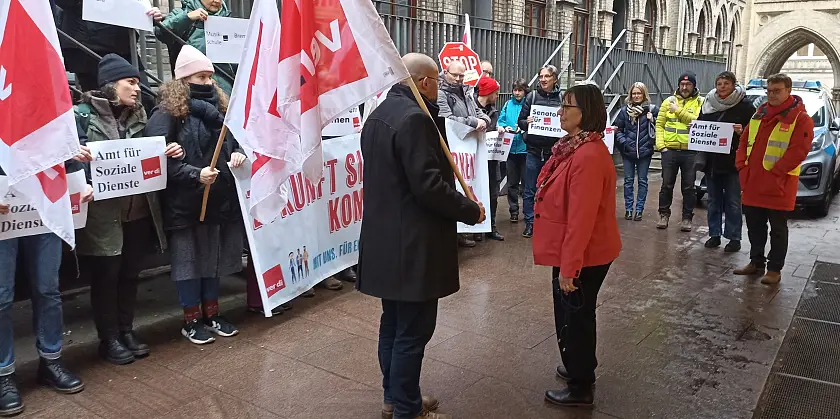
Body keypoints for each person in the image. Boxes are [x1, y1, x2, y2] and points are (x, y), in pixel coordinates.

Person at [358, 53, 485, 419]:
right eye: (437, 81)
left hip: (386, 242)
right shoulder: (415, 119)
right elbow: (428, 186)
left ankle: (396, 397)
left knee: (394, 325)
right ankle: (407, 409)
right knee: (412, 331)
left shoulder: (379, 115)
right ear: (425, 82)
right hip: (412, 245)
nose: (439, 88)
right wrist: (469, 209)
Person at [73, 54, 184, 365]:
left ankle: (126, 330)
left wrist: (170, 150)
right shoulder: (81, 116)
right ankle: (108, 338)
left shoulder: (140, 115)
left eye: (137, 82)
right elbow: (66, 160)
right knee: (106, 277)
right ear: (111, 85)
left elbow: (149, 154)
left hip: (138, 211)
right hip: (103, 215)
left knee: (130, 274)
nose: (137, 88)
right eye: (131, 82)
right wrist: (77, 158)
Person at [144, 45, 243, 345]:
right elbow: (156, 158)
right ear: (184, 80)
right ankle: (191, 320)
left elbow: (234, 140)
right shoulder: (167, 112)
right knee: (189, 262)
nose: (209, 82)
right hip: (185, 203)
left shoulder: (221, 111)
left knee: (213, 259)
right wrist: (193, 173)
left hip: (218, 199)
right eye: (201, 77)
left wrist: (237, 152)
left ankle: (212, 314)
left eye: (210, 76)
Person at [532, 83, 622, 407]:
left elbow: (581, 219)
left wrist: (569, 268)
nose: (560, 112)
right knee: (575, 314)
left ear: (584, 113)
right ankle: (578, 364)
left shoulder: (587, 155)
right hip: (577, 250)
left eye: (567, 106)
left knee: (575, 317)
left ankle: (580, 386)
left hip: (584, 254)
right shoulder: (576, 148)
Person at [0, 141, 92, 417]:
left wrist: (79, 181)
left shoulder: (45, 113)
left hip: (44, 202)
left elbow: (62, 143)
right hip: (5, 204)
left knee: (48, 290)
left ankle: (51, 361)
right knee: (1, 297)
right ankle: (4, 374)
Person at [734, 73, 812, 285]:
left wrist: (777, 172)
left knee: (778, 229)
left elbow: (799, 151)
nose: (772, 95)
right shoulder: (759, 114)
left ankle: (774, 269)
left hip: (780, 184)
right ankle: (756, 261)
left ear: (788, 91)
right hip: (753, 182)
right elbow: (744, 141)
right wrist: (741, 166)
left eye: (777, 91)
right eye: (769, 91)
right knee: (754, 225)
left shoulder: (800, 119)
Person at [54, 0, 163, 112]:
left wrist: (149, 14)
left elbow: (133, 5)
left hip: (122, 46)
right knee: (101, 102)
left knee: (145, 98)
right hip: (88, 48)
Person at [698, 71, 756, 252]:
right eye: (719, 84)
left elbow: (755, 131)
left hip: (733, 162)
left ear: (734, 85)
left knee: (733, 201)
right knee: (713, 200)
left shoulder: (745, 106)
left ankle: (734, 237)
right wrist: (696, 128)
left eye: (726, 84)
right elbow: (701, 124)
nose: (722, 87)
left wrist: (742, 131)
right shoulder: (708, 103)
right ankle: (714, 234)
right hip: (712, 162)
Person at [437, 60, 491, 248]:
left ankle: (462, 231)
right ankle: (452, 233)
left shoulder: (467, 92)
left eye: (462, 75)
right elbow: (446, 118)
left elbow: (478, 112)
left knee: (467, 186)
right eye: (455, 75)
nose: (459, 79)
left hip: (468, 150)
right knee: (453, 188)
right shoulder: (441, 93)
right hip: (453, 148)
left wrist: (484, 120)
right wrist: (473, 122)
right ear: (446, 72)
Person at [517, 65, 564, 238]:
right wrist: (527, 122)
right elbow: (521, 122)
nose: (543, 80)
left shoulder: (562, 97)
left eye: (547, 76)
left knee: (552, 190)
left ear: (555, 79)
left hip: (554, 154)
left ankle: (548, 222)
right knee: (530, 189)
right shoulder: (532, 97)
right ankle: (530, 223)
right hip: (534, 151)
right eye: (541, 76)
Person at [655, 72, 704, 231]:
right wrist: (661, 146)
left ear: (694, 86)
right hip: (669, 151)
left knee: (689, 187)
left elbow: (699, 122)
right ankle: (663, 215)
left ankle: (687, 218)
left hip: (690, 152)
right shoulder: (668, 101)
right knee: (666, 185)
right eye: (682, 84)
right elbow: (659, 125)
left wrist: (678, 110)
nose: (684, 87)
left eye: (688, 84)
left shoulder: (701, 102)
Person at [156, 0, 237, 95]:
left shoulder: (230, 21)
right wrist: (187, 18)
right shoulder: (181, 14)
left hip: (226, 89)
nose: (217, 1)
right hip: (192, 89)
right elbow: (162, 33)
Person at [615, 82, 657, 221]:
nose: (636, 96)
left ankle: (639, 210)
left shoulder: (652, 110)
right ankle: (628, 209)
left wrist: (653, 120)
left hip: (645, 152)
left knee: (643, 181)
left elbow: (660, 128)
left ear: (644, 94)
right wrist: (625, 142)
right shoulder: (624, 111)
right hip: (628, 152)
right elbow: (618, 130)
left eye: (639, 93)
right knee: (628, 181)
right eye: (634, 93)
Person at [475, 77, 504, 241]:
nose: (497, 96)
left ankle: (491, 227)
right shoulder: (471, 107)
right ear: (489, 93)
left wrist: (499, 129)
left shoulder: (494, 111)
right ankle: (477, 228)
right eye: (496, 93)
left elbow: (493, 128)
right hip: (477, 161)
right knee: (477, 193)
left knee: (493, 194)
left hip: (492, 160)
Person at [499, 79, 528, 223]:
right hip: (510, 149)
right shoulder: (507, 104)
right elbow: (501, 120)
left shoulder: (529, 104)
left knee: (527, 184)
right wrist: (504, 127)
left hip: (525, 149)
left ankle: (528, 212)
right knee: (512, 183)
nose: (517, 93)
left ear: (525, 91)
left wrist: (522, 129)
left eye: (520, 90)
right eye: (515, 90)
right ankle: (514, 211)